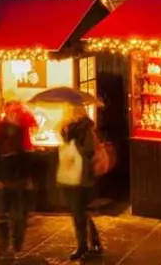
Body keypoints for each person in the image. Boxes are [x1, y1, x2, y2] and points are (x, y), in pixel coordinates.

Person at [59, 106, 103, 261]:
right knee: (78, 211)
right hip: (70, 175)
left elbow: (88, 151)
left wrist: (73, 145)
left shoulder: (86, 129)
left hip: (82, 177)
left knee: (79, 211)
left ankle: (83, 245)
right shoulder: (68, 128)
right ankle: (93, 241)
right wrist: (64, 133)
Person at [0, 99, 37, 257]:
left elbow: (24, 155)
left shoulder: (15, 129)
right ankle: (6, 246)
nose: (14, 114)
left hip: (16, 177)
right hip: (8, 177)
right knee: (5, 214)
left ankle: (14, 245)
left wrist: (27, 178)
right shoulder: (2, 129)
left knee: (16, 214)